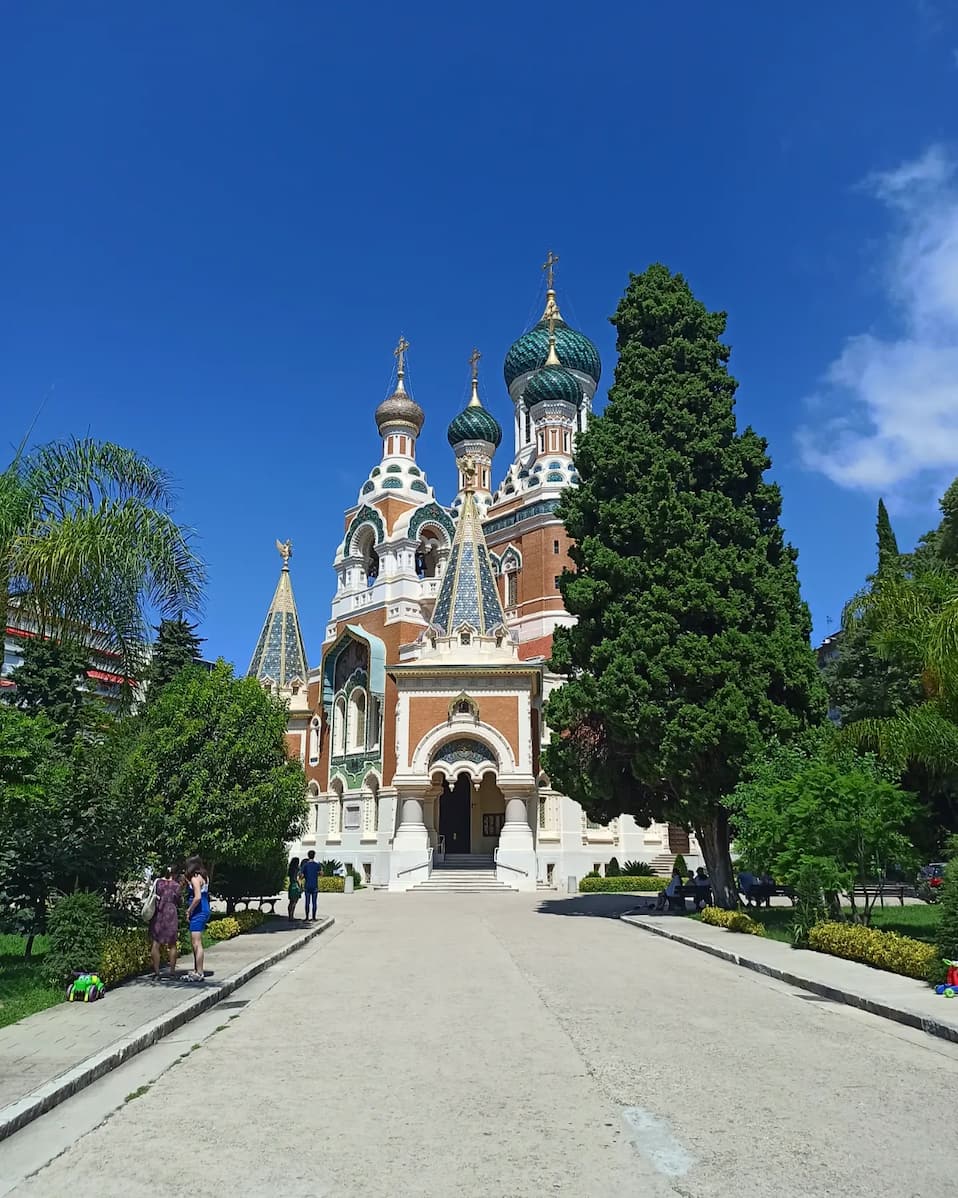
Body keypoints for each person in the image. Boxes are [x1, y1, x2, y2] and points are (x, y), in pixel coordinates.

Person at [148, 865, 182, 980]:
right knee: (172, 944)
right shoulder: (176, 886)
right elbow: (179, 901)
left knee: (156, 943)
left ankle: (157, 972)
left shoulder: (158, 883)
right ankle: (172, 972)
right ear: (175, 874)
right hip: (171, 914)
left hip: (159, 912)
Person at [184, 857, 210, 982]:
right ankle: (196, 970)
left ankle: (199, 972)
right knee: (195, 942)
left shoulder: (195, 879)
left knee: (196, 943)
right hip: (205, 908)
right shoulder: (205, 877)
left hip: (198, 911)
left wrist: (189, 910)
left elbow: (197, 897)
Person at [301, 850, 321, 920]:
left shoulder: (305, 865)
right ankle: (314, 917)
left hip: (307, 885)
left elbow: (301, 875)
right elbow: (321, 873)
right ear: (314, 856)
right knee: (314, 902)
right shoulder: (317, 865)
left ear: (308, 856)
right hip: (314, 885)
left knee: (307, 902)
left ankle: (307, 917)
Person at [287, 856, 302, 921]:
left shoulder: (290, 869)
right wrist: (300, 886)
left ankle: (290, 915)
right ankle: (292, 916)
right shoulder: (297, 869)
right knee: (295, 902)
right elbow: (298, 878)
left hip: (291, 885)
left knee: (291, 902)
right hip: (295, 886)